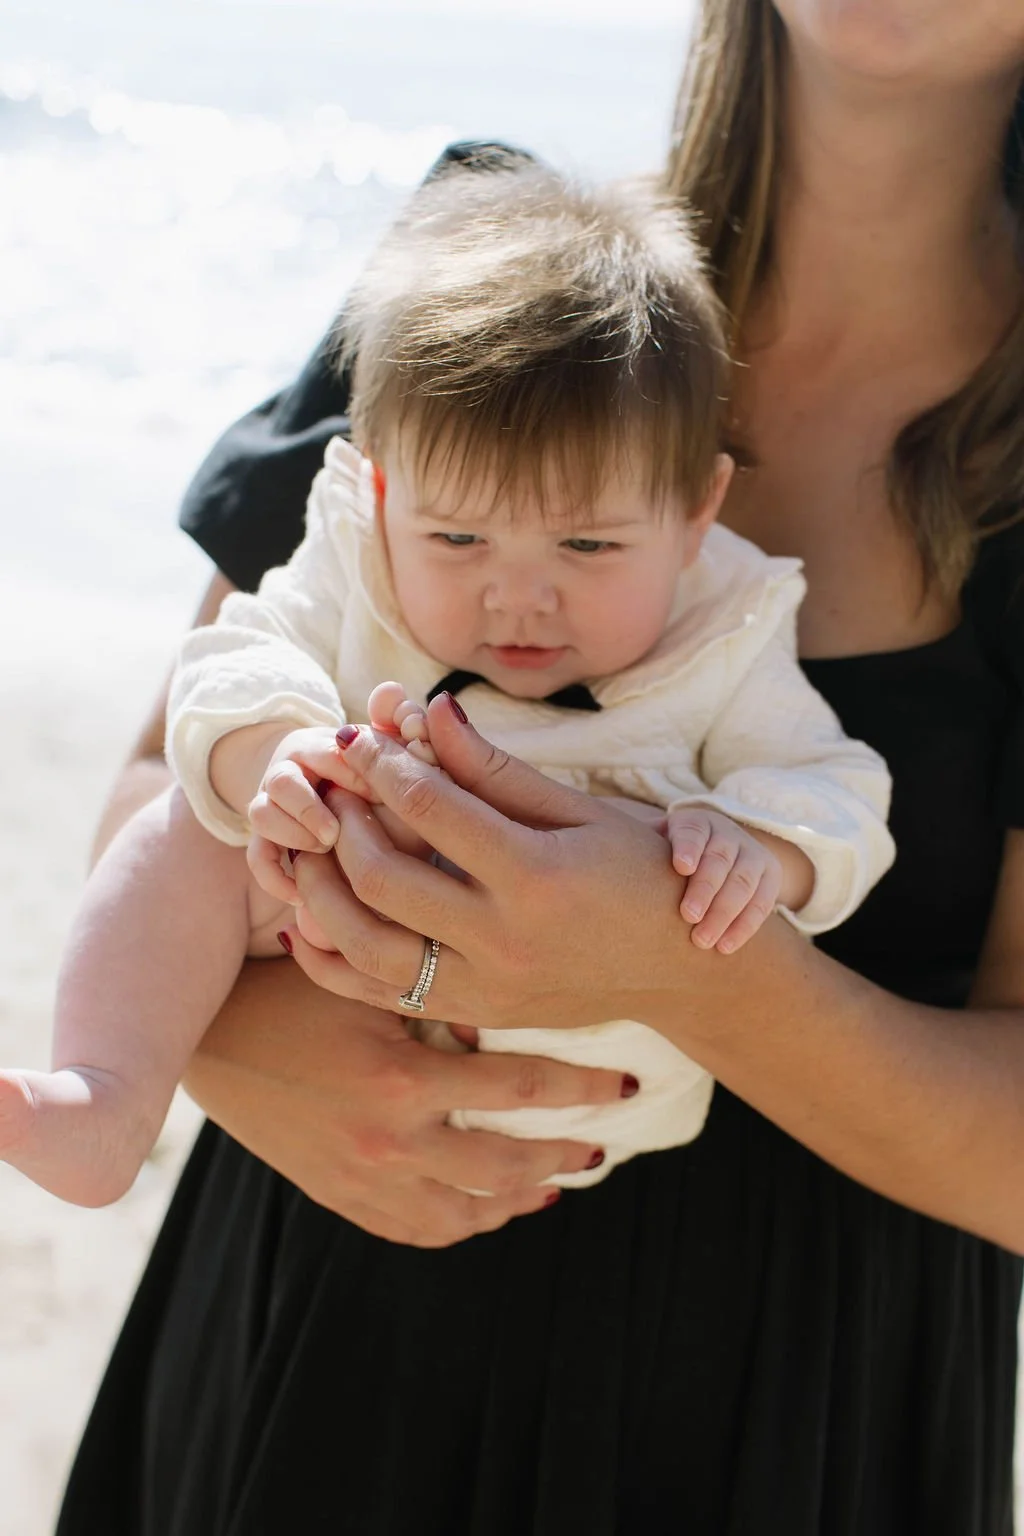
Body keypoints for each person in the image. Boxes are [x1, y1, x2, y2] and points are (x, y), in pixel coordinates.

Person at [56, 1, 1024, 1531]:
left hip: (785, 1417)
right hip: (319, 1318)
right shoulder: (495, 277)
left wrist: (700, 969)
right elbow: (158, 789)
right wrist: (244, 1050)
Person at [0, 164, 893, 1203]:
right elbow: (232, 659)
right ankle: (106, 1095)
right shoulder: (356, 559)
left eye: (589, 544)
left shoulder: (723, 626)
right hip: (332, 972)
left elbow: (840, 789)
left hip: (582, 1067)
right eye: (459, 536)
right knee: (188, 833)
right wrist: (269, 751)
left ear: (697, 510)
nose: (518, 598)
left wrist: (761, 850)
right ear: (382, 486)